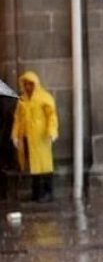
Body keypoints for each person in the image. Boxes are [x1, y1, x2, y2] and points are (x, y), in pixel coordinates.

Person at [11, 71, 58, 202]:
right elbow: (18, 119)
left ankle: (48, 192)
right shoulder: (22, 100)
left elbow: (51, 116)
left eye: (30, 84)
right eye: (25, 84)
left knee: (45, 165)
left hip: (42, 137)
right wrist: (15, 135)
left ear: (35, 84)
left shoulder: (45, 98)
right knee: (33, 166)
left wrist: (51, 131)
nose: (28, 87)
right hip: (28, 137)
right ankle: (37, 192)